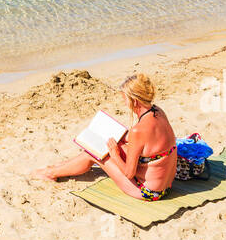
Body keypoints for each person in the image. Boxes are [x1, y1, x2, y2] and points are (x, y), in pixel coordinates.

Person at [32, 73, 179, 201]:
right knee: (116, 142)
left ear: (134, 100)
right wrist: (120, 139)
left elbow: (129, 173)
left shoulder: (138, 131)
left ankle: (50, 173)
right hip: (166, 185)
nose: (124, 103)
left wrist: (115, 154)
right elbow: (146, 140)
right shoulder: (158, 111)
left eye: (125, 99)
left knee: (93, 153)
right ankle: (58, 167)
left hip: (148, 192)